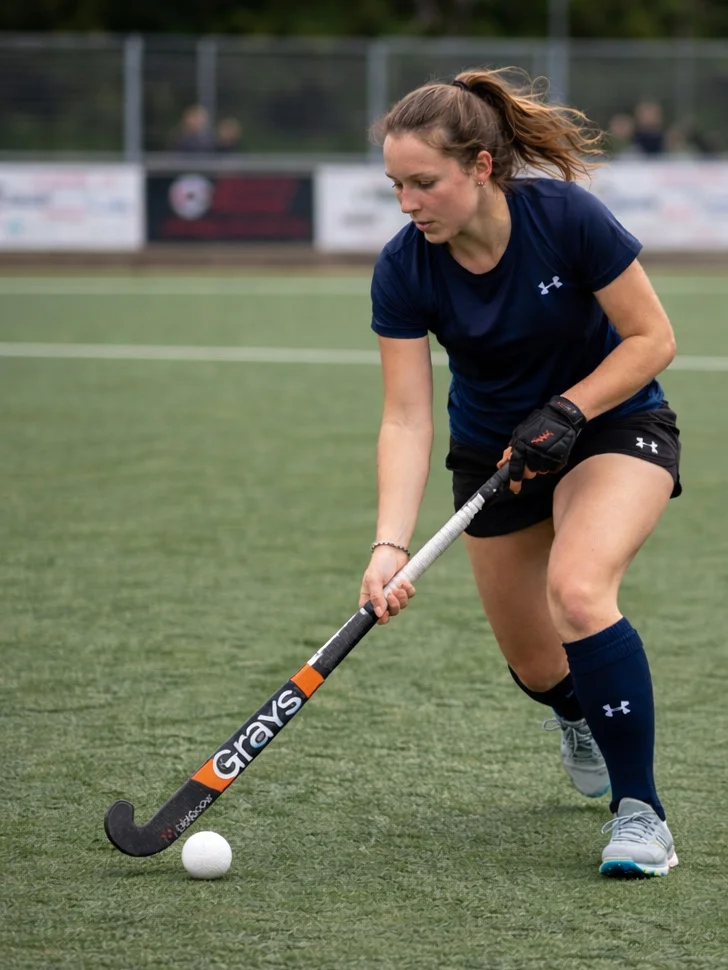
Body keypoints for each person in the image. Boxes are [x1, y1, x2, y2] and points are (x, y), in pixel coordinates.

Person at [359, 67, 682, 879]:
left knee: (577, 591)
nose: (408, 203)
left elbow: (652, 338)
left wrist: (569, 408)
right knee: (539, 668)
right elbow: (405, 415)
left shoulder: (566, 218)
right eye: (396, 185)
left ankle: (641, 814)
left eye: (423, 182)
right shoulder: (404, 269)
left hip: (613, 422)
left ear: (479, 166)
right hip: (493, 456)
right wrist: (389, 545)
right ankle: (577, 713)